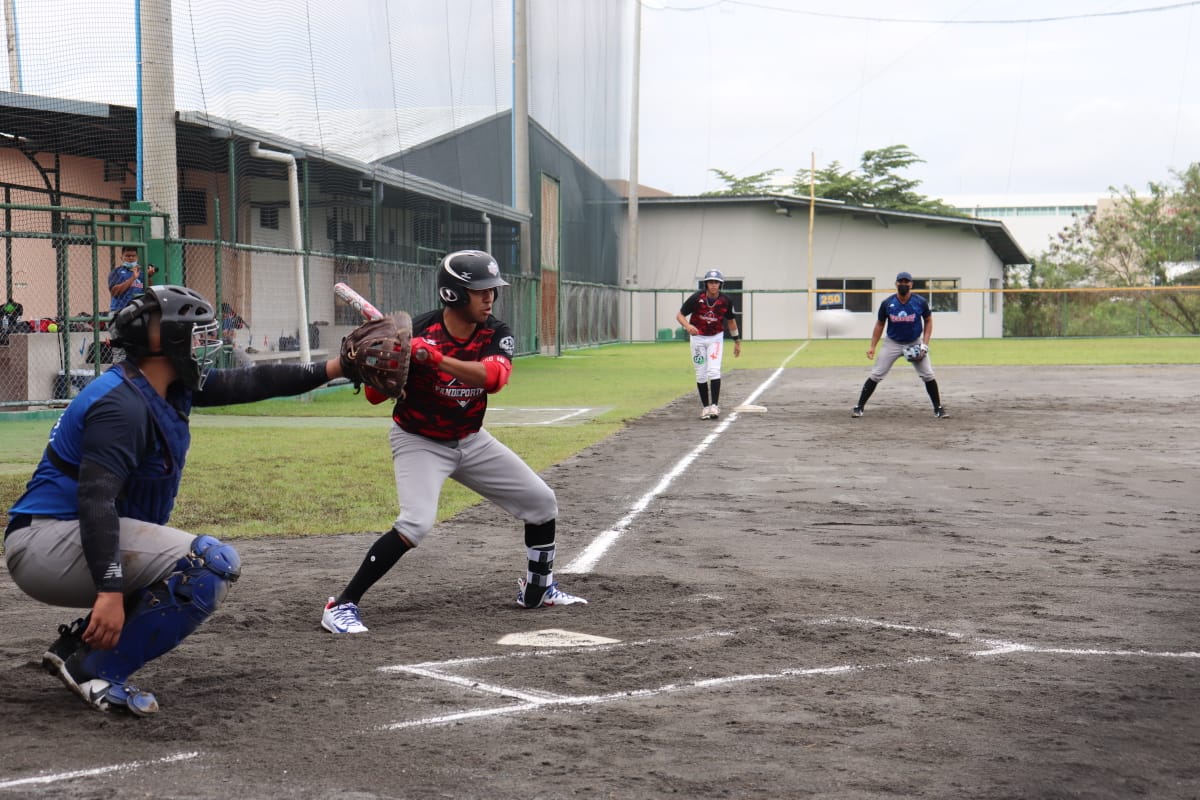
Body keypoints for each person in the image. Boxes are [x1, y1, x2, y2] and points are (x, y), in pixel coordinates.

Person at [4, 284, 348, 716]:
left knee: (171, 558)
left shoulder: (162, 382)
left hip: (68, 536)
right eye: (198, 335)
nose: (206, 345)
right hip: (46, 544)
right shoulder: (121, 405)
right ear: (166, 345)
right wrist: (109, 591)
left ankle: (78, 645)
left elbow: (254, 380)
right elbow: (97, 502)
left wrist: (336, 367)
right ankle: (96, 671)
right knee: (207, 564)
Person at [321, 250, 585, 635]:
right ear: (453, 295)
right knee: (416, 523)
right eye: (480, 291)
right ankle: (341, 605)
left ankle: (538, 590)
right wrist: (388, 363)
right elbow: (376, 398)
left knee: (542, 503)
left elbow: (494, 377)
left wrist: (436, 359)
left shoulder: (496, 332)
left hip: (471, 439)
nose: (489, 298)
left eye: (491, 290)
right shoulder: (420, 333)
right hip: (419, 441)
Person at [851, 271, 946, 419]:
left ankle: (938, 408)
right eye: (900, 282)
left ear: (911, 284)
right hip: (892, 343)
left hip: (914, 342)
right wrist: (872, 347)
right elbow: (880, 324)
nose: (903, 284)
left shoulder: (920, 302)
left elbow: (928, 320)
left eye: (906, 282)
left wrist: (924, 344)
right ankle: (859, 407)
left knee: (928, 375)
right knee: (876, 374)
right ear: (896, 284)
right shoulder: (888, 303)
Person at [675, 268, 741, 419]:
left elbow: (731, 321)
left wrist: (737, 341)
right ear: (706, 284)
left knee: (714, 370)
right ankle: (705, 407)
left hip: (715, 338)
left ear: (720, 285)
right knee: (701, 372)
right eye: (710, 282)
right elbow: (680, 315)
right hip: (697, 339)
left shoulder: (725, 301)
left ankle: (714, 406)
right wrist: (688, 326)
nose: (713, 285)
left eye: (716, 282)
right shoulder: (696, 298)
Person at [108, 245, 156, 313]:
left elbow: (148, 290)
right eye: (127, 256)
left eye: (133, 256)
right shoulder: (116, 272)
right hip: (119, 310)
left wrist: (148, 276)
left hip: (138, 310)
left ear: (137, 258)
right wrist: (133, 278)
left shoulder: (141, 273)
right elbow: (114, 292)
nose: (131, 258)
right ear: (122, 257)